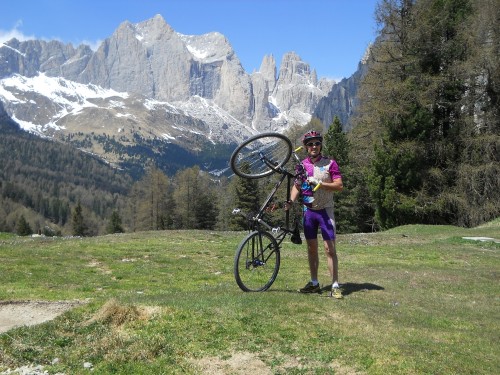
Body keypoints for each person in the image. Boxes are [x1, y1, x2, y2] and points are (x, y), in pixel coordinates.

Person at [284, 130, 344, 298]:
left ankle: (335, 285)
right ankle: (314, 283)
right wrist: (291, 201)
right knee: (311, 248)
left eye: (317, 143)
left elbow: (339, 185)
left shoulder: (330, 163)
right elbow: (297, 185)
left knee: (329, 249)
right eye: (310, 144)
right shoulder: (302, 165)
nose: (314, 146)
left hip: (325, 210)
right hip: (309, 211)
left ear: (321, 145)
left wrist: (321, 184)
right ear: (305, 147)